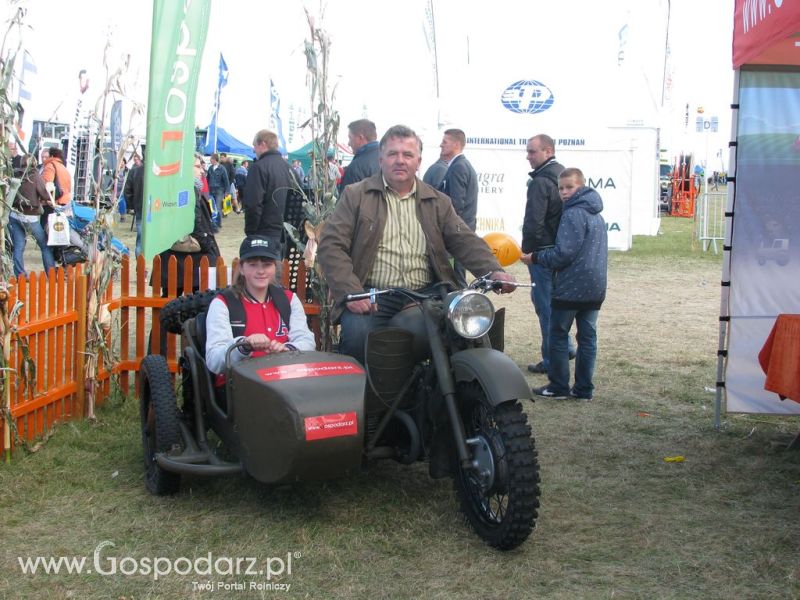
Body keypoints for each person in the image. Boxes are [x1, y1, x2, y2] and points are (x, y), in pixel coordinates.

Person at [317, 124, 516, 364]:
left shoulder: (437, 201)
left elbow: (463, 239)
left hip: (427, 293)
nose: (400, 160)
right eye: (393, 154)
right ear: (381, 159)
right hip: (373, 294)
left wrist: (493, 270)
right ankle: (363, 399)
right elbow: (331, 245)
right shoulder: (356, 195)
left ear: (419, 161)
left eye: (407, 155)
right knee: (358, 338)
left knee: (469, 326)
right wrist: (351, 291)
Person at [530, 168, 608, 402]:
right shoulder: (597, 214)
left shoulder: (573, 214)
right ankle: (584, 389)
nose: (564, 192)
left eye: (569, 187)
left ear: (581, 187)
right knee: (587, 338)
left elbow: (564, 254)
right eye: (561, 188)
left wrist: (536, 257)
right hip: (595, 286)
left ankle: (559, 386)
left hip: (571, 286)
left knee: (558, 334)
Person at [205, 235, 315, 376]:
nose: (260, 270)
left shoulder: (289, 299)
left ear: (275, 267)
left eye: (267, 264)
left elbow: (307, 341)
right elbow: (214, 361)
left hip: (285, 379)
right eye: (252, 264)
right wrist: (243, 345)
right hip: (240, 385)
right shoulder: (223, 304)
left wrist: (287, 349)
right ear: (242, 268)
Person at [519, 134, 574, 375]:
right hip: (560, 250)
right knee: (555, 304)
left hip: (543, 251)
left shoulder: (541, 181)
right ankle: (565, 347)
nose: (528, 156)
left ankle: (553, 359)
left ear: (548, 151)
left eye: (532, 152)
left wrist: (528, 251)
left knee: (545, 306)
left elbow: (534, 221)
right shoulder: (562, 175)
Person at [436, 128, 478, 286]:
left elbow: (456, 204)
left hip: (457, 232)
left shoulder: (458, 167)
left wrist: (445, 227)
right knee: (457, 275)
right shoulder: (461, 165)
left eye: (445, 142)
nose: (441, 145)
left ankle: (461, 306)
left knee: (456, 277)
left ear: (456, 144)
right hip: (462, 228)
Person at [8, 155, 56, 276]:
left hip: (14, 214)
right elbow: (44, 194)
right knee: (44, 245)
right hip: (30, 216)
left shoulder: (16, 174)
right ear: (34, 163)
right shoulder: (35, 175)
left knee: (18, 246)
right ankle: (51, 273)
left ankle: (20, 275)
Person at [243, 130, 294, 243]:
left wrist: (251, 233)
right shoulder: (289, 168)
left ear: (262, 144)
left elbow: (253, 204)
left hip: (265, 233)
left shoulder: (258, 168)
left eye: (254, 146)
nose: (253, 150)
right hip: (288, 232)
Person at [338, 119, 380, 193]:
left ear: (360, 138)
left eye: (350, 138)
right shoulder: (389, 160)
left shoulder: (356, 168)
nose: (348, 143)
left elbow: (346, 202)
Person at [124, 151, 145, 257]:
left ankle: (141, 268)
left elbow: (127, 190)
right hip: (150, 207)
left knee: (141, 239)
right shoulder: (135, 171)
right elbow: (127, 190)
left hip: (140, 207)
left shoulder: (135, 171)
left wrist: (132, 206)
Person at [207, 153, 229, 228]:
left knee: (218, 206)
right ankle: (213, 222)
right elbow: (207, 179)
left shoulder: (222, 168)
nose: (210, 160)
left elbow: (226, 180)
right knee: (211, 206)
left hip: (219, 190)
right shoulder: (210, 168)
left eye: (211, 159)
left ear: (215, 159)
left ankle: (218, 223)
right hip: (211, 190)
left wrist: (227, 191)